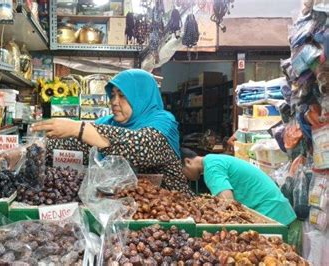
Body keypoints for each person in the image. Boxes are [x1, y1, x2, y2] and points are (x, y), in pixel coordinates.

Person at [32, 69, 192, 194]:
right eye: (113, 95)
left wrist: (77, 127)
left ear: (141, 96)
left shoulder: (163, 121)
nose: (114, 102)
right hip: (119, 208)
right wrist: (31, 149)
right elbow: (73, 143)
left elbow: (139, 147)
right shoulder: (107, 123)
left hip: (168, 214)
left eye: (122, 96)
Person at [180, 148, 296, 226]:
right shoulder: (214, 160)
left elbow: (228, 202)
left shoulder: (211, 168)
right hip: (279, 211)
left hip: (274, 217)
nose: (184, 178)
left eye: (182, 172)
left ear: (188, 162)